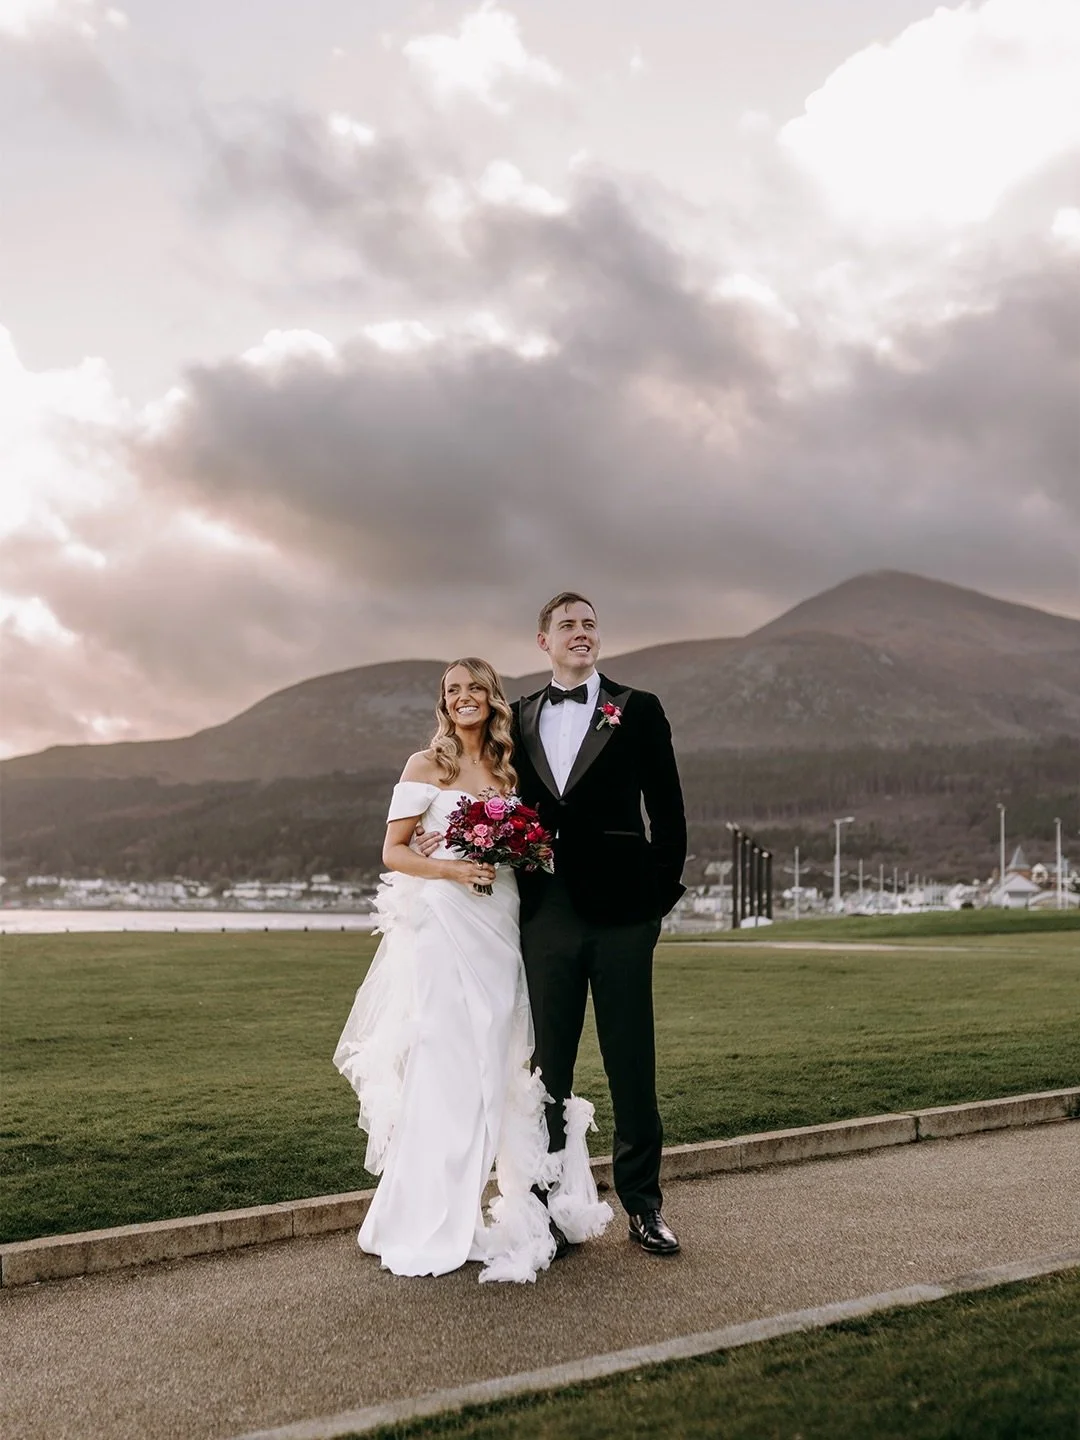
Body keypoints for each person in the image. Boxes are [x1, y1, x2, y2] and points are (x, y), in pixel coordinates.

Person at [333, 657, 610, 1283]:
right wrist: (454, 867)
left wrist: (525, 847)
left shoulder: (511, 769)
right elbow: (394, 851)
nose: (464, 698)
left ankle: (496, 1203)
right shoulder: (426, 766)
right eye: (452, 690)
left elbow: (533, 845)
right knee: (445, 1063)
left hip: (501, 923)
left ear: (492, 698)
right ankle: (421, 1216)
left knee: (496, 1063)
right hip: (446, 926)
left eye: (475, 688)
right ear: (444, 702)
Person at [513, 592, 687, 1256]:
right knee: (546, 1069)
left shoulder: (637, 709)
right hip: (546, 915)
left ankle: (644, 1204)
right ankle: (547, 1208)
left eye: (589, 624)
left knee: (630, 1062)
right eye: (568, 625)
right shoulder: (519, 715)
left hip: (623, 917)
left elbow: (668, 814)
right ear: (543, 641)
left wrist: (653, 906)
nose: (581, 633)